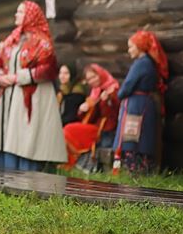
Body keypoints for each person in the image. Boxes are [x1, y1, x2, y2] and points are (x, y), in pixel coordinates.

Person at [0, 0, 67, 171]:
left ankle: (28, 172)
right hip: (10, 95)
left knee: (26, 136)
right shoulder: (13, 38)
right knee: (10, 135)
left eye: (20, 12)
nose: (16, 15)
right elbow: (0, 62)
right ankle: (6, 171)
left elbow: (49, 69)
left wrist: (19, 77)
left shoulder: (42, 41)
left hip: (33, 95)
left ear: (30, 16)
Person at [113, 30, 169, 174]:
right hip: (143, 103)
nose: (129, 50)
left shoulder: (141, 64)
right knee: (141, 136)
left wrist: (119, 94)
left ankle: (134, 168)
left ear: (140, 46)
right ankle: (141, 168)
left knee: (134, 136)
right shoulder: (148, 63)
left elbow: (128, 85)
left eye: (131, 47)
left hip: (137, 105)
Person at [62, 64, 119, 171]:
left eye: (94, 77)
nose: (92, 81)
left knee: (69, 129)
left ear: (100, 74)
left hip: (106, 129)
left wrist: (107, 100)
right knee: (68, 129)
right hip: (94, 125)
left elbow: (113, 113)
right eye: (89, 79)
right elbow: (91, 116)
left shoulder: (112, 89)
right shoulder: (96, 91)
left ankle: (71, 164)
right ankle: (67, 163)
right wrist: (83, 109)